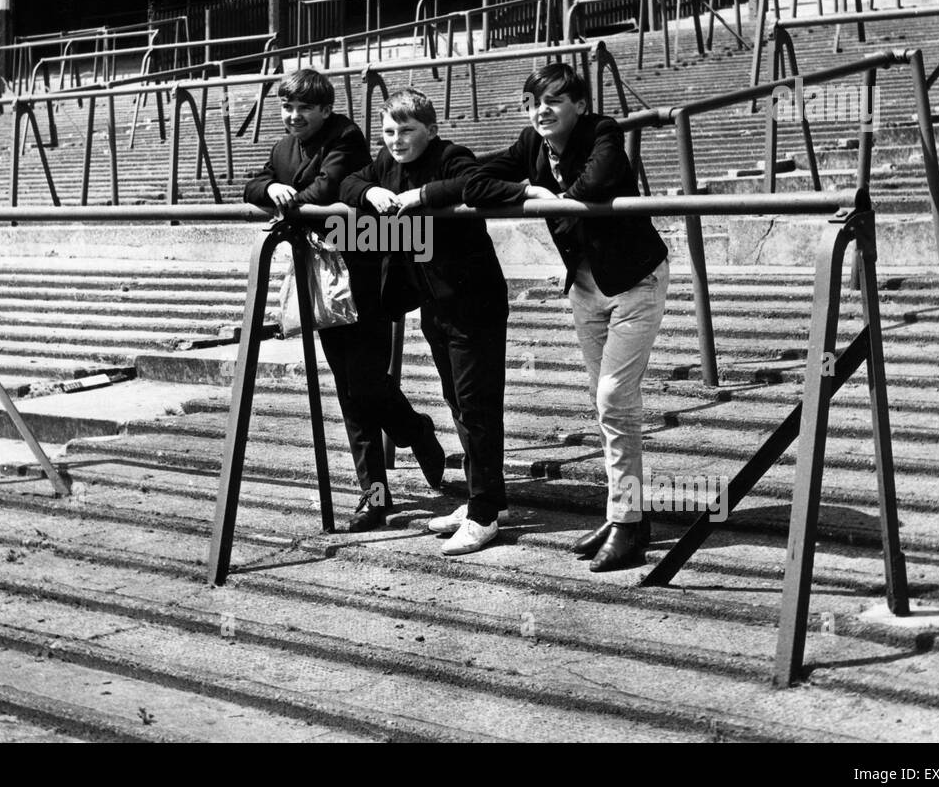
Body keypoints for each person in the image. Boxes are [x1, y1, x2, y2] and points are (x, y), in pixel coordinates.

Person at [465, 63, 669, 573]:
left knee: (613, 400)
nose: (542, 110)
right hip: (584, 286)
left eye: (555, 100)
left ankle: (627, 522)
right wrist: (524, 192)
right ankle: (627, 514)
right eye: (534, 101)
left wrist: (548, 195)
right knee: (607, 406)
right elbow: (474, 180)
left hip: (633, 281)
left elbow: (596, 184)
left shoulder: (602, 131)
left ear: (579, 104)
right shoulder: (531, 146)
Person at [244, 69, 446, 533]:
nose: (293, 117)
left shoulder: (346, 136)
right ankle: (374, 496)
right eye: (287, 108)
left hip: (363, 271)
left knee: (365, 382)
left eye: (303, 109)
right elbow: (253, 183)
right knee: (349, 390)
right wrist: (272, 189)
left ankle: (417, 431)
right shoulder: (282, 146)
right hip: (323, 276)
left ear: (325, 109)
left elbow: (326, 190)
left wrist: (285, 200)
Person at [340, 88, 510, 557]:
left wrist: (419, 196)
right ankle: (484, 497)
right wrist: (371, 190)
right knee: (456, 399)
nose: (397, 140)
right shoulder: (385, 162)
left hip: (473, 300)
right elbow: (349, 183)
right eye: (389, 131)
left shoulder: (451, 155)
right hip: (434, 303)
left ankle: (484, 515)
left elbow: (473, 182)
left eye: (407, 131)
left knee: (477, 403)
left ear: (431, 130)